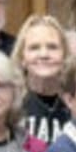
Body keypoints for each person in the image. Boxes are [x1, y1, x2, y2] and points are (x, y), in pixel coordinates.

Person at [11, 14, 71, 144]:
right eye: (34, 48)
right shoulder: (9, 106)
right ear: (22, 58)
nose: (44, 54)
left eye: (52, 47)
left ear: (65, 56)